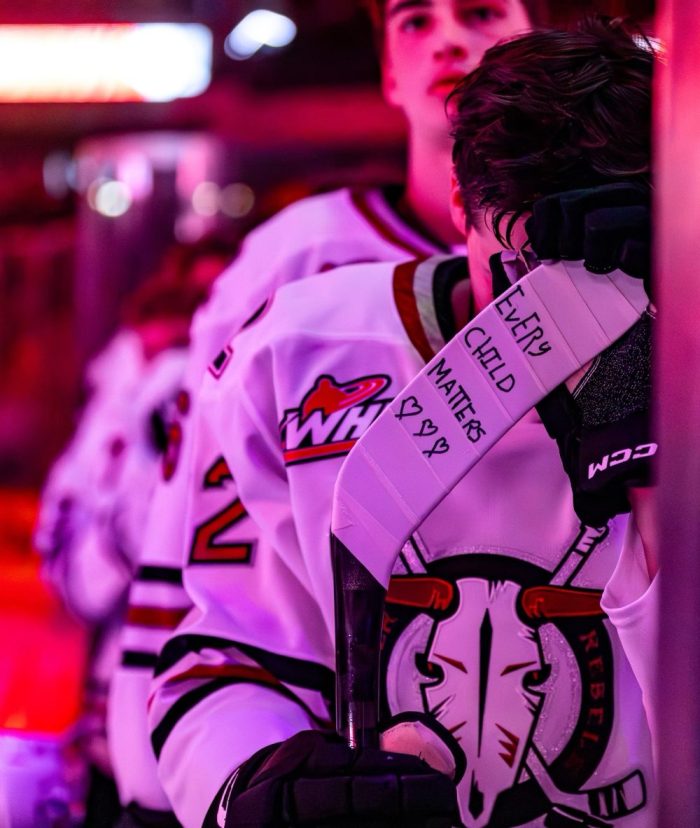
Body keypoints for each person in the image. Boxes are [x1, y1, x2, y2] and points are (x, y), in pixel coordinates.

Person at [149, 17, 657, 828]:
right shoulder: (299, 352)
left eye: (599, 278)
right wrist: (253, 783)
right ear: (460, 201)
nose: (564, 320)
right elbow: (233, 653)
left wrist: (650, 439)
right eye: (527, 275)